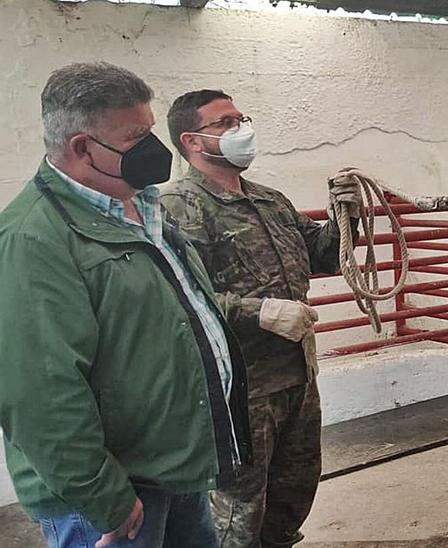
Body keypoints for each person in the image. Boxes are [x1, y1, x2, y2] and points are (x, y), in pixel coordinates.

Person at [0, 62, 253, 548]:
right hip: (114, 497)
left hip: (171, 468)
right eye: (137, 136)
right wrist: (104, 497)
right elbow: (40, 392)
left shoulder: (143, 207)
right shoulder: (34, 239)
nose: (154, 150)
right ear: (82, 148)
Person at [160, 89, 358, 548]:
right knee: (237, 518)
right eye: (225, 123)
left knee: (290, 501)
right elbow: (175, 298)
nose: (241, 130)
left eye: (242, 118)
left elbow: (324, 254)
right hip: (238, 391)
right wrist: (259, 313)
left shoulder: (270, 200)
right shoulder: (174, 207)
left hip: (297, 380)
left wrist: (346, 216)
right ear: (191, 141)